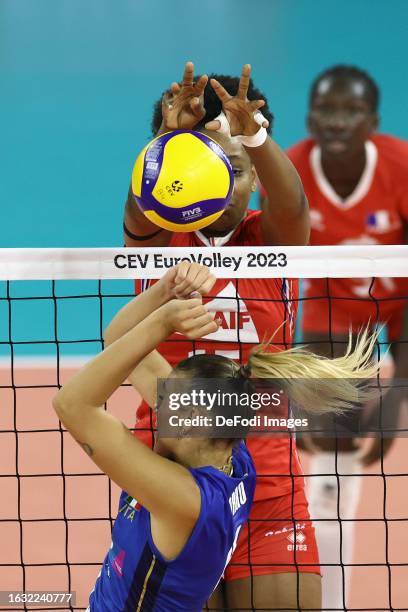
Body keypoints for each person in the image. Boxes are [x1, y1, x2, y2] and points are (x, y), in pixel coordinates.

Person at [54, 261, 384, 611]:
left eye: (168, 401)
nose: (157, 405)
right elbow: (119, 341)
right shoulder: (235, 458)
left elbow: (71, 404)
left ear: (193, 422)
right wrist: (165, 291)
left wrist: (165, 320)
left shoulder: (181, 497)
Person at [123, 61, 319, 610]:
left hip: (267, 476)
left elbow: (294, 205)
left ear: (255, 175)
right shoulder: (162, 238)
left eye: (238, 170)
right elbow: (140, 215)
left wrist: (253, 134)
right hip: (171, 473)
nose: (227, 184)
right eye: (212, 169)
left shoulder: (270, 239)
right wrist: (168, 142)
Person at [267, 64, 408, 611]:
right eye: (326, 110)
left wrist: (400, 388)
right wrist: (290, 381)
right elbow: (268, 273)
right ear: (309, 118)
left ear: (373, 120)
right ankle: (333, 593)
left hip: (400, 310)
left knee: (386, 420)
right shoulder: (293, 170)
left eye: (350, 111)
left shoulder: (399, 168)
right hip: (332, 319)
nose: (337, 122)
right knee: (327, 441)